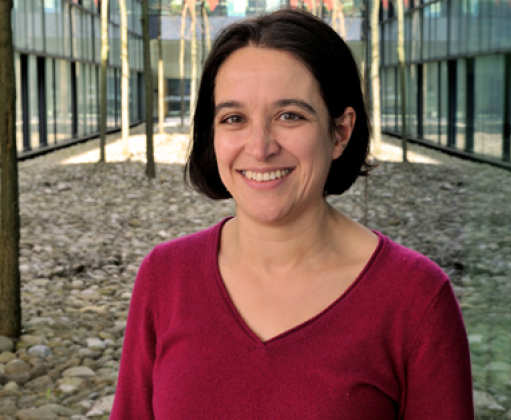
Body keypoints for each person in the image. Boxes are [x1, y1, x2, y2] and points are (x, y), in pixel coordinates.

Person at [110, 9, 473, 419]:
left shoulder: (416, 298)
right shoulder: (165, 277)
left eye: (290, 116)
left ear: (340, 132)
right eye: (234, 118)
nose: (260, 147)